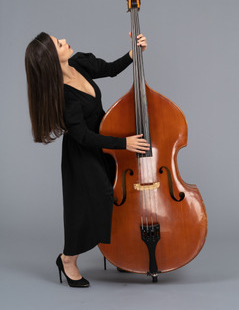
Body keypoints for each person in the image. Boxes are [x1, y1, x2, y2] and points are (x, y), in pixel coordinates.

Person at [25, 32, 150, 288]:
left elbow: (111, 69)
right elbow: (82, 137)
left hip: (103, 143)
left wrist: (133, 52)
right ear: (51, 59)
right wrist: (124, 143)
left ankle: (116, 254)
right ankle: (67, 259)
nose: (64, 40)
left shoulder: (79, 62)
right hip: (83, 153)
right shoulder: (63, 95)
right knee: (94, 201)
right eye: (58, 44)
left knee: (115, 195)